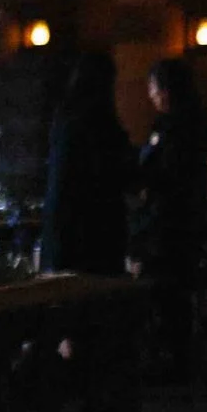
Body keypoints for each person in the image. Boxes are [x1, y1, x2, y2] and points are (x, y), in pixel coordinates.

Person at [134, 57, 207, 379]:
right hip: (184, 217)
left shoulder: (173, 128)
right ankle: (175, 355)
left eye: (154, 89)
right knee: (175, 291)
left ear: (165, 90)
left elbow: (164, 174)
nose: (151, 96)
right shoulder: (194, 124)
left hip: (168, 220)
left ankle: (168, 357)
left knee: (165, 290)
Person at [40, 52, 133, 275]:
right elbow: (119, 172)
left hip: (62, 225)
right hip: (99, 229)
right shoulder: (103, 123)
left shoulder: (64, 117)